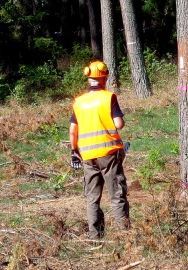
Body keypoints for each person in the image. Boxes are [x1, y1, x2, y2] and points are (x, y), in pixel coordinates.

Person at [69, 60, 130, 240]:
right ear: (105, 77)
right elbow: (119, 124)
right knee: (117, 194)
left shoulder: (79, 102)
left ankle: (95, 236)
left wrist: (74, 152)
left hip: (87, 156)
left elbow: (73, 130)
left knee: (92, 198)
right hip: (109, 154)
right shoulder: (108, 97)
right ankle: (125, 235)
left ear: (89, 79)